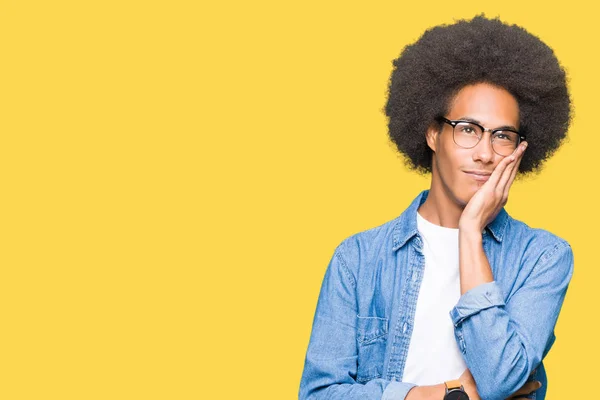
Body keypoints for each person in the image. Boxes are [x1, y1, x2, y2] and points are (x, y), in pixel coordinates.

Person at [299, 15, 574, 400]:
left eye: (502, 136)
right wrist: (447, 395)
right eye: (467, 129)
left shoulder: (542, 258)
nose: (485, 153)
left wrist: (470, 232)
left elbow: (498, 379)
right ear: (432, 133)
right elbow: (319, 394)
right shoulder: (359, 259)